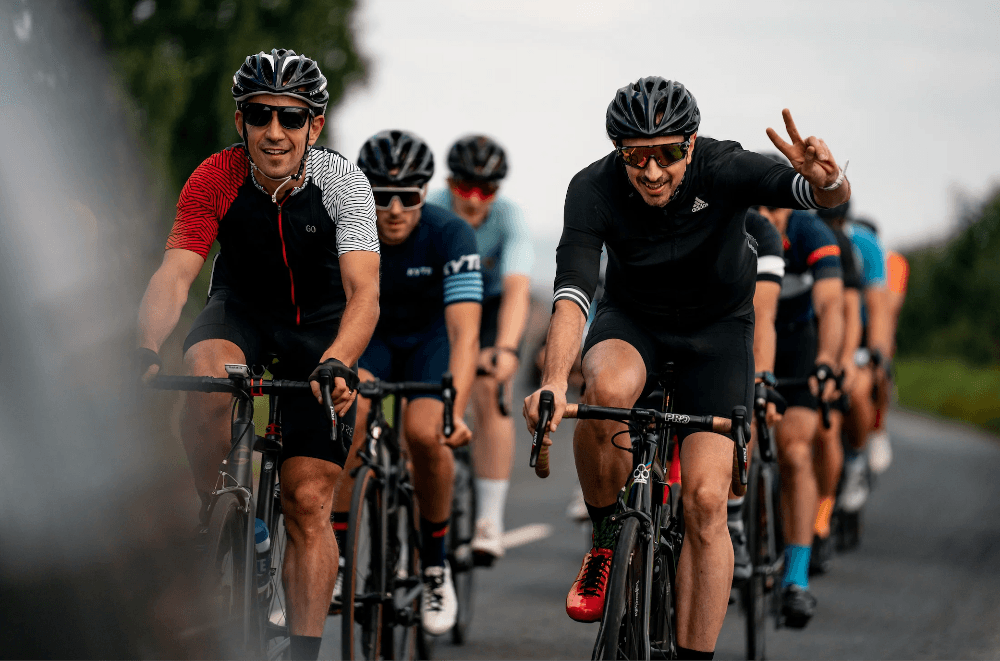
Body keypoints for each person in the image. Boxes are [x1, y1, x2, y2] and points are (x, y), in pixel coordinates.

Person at [523, 76, 850, 659]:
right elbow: (572, 292)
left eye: (668, 153)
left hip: (717, 333)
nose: (652, 171)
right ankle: (605, 540)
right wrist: (551, 380)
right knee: (604, 390)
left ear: (691, 144)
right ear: (618, 152)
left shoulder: (723, 166)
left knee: (704, 502)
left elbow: (815, 195)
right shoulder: (592, 188)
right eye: (636, 156)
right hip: (634, 322)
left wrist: (828, 181)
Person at [135, 49, 380, 661]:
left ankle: (303, 653)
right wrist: (143, 348)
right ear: (240, 120)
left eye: (290, 117)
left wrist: (340, 359)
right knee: (205, 374)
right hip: (240, 312)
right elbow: (175, 274)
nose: (274, 131)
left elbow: (364, 293)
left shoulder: (344, 183)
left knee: (308, 502)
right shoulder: (214, 177)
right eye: (259, 115)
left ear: (314, 125)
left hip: (319, 330)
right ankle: (218, 514)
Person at [330, 130, 482, 635]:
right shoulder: (345, 228)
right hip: (370, 340)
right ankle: (339, 557)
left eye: (409, 196)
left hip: (429, 344)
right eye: (380, 196)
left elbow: (464, 335)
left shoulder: (451, 233)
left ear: (425, 192)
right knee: (353, 416)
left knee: (425, 433)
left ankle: (435, 566)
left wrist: (453, 411)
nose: (394, 210)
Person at [427, 136, 533, 564]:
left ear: (497, 191)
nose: (473, 199)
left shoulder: (509, 218)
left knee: (490, 388)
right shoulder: (431, 209)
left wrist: (505, 349)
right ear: (449, 183)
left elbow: (517, 290)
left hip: (489, 309)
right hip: (438, 304)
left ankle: (489, 520)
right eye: (464, 187)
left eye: (485, 189)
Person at [756, 198, 844, 626]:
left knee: (794, 452)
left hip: (796, 343)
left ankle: (796, 577)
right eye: (757, 208)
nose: (765, 218)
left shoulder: (811, 232)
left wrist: (826, 360)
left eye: (773, 210)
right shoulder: (739, 227)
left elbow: (831, 305)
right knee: (735, 444)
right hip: (746, 337)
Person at [818, 204, 891, 512]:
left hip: (857, 335)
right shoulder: (806, 234)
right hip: (818, 332)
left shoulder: (864, 244)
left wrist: (878, 354)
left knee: (859, 391)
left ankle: (856, 460)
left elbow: (877, 307)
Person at [728, 208, 785, 583]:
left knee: (742, 406)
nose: (765, 212)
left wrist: (761, 382)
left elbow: (763, 317)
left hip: (752, 333)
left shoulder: (762, 231)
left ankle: (733, 517)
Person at [810, 208, 866, 574]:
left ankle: (822, 516)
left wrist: (843, 360)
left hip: (828, 342)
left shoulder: (839, 244)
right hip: (792, 339)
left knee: (827, 428)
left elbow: (849, 310)